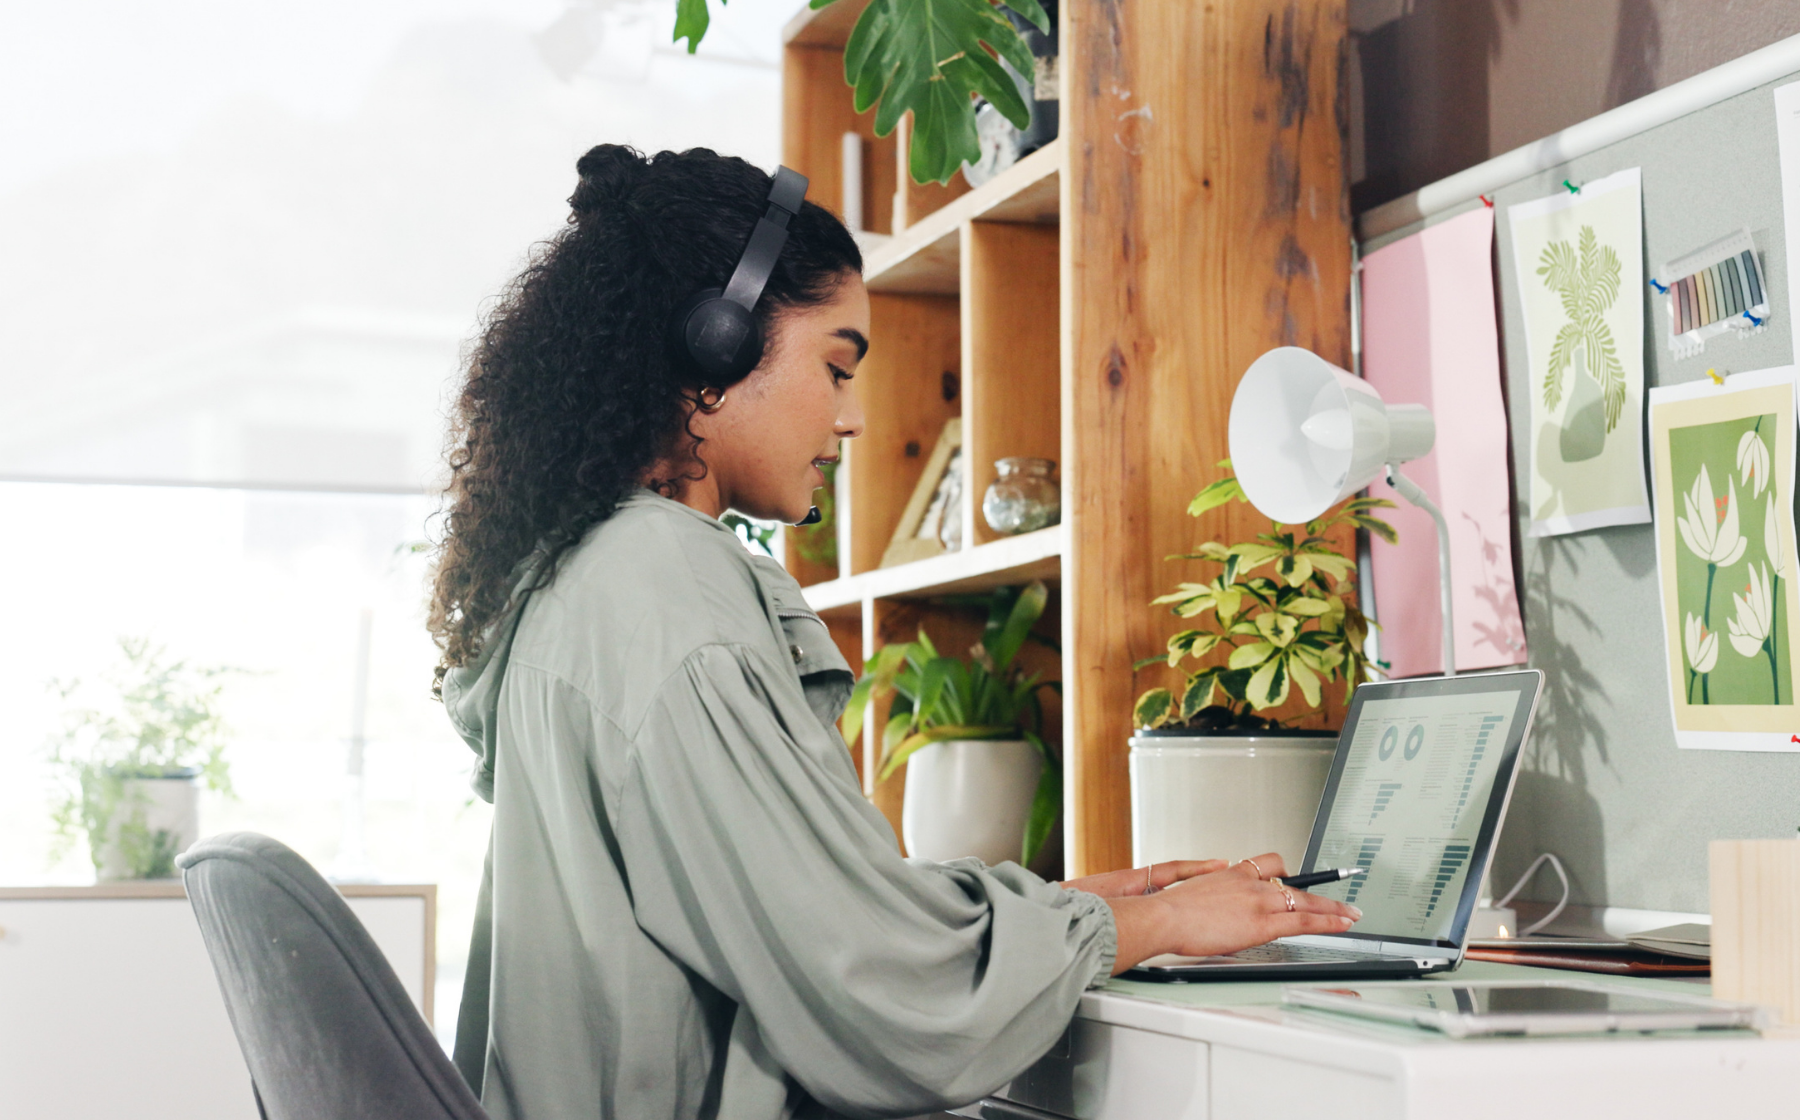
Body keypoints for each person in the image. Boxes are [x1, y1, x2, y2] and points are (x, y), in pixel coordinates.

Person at [428, 144, 1360, 1120]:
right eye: (835, 368)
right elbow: (888, 1006)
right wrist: (1145, 923)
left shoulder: (589, 578)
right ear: (716, 341)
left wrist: (1085, 908)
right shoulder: (666, 597)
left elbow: (809, 916)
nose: (855, 419)